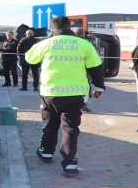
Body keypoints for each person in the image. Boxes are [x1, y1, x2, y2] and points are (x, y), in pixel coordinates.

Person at [25, 16, 105, 177]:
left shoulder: (45, 44)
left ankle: (46, 152)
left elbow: (29, 58)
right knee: (70, 128)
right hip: (75, 94)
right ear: (70, 26)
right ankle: (69, 163)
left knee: (49, 123)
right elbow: (96, 67)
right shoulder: (84, 44)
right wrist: (98, 87)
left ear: (52, 29)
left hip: (50, 93)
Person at [72, 27, 93, 112]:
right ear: (83, 34)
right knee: (85, 88)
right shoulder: (87, 43)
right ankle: (84, 104)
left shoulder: (70, 43)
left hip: (71, 69)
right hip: (84, 69)